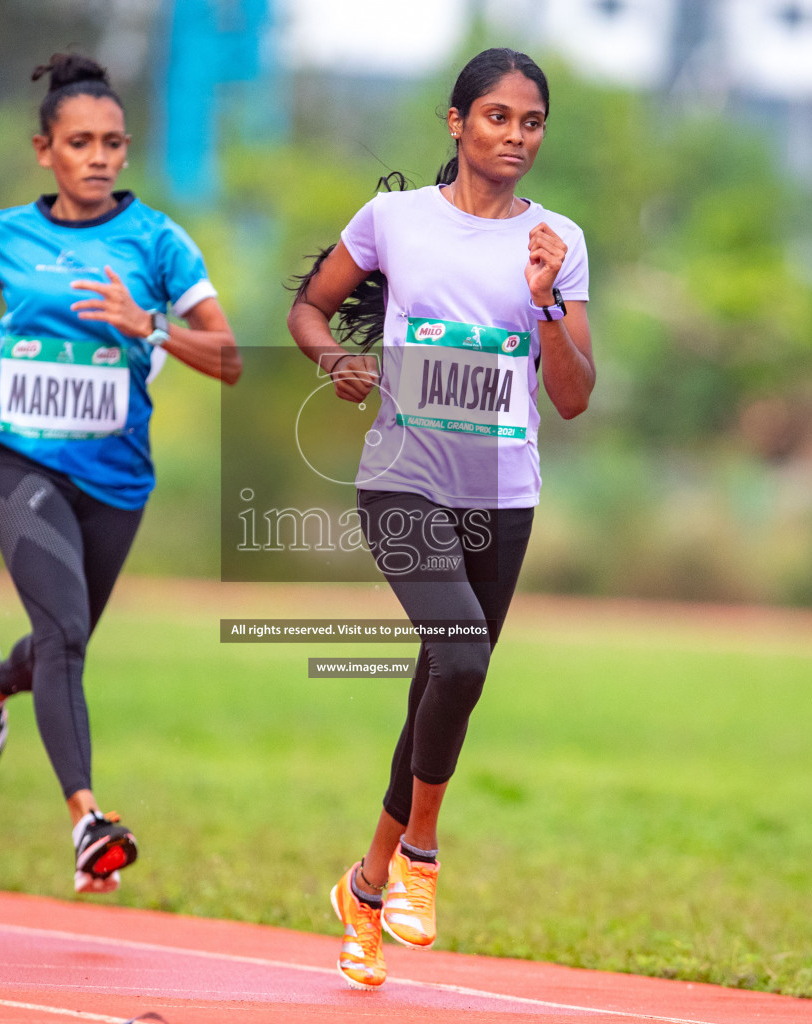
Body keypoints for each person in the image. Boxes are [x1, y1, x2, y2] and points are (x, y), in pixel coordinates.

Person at [287, 48, 596, 989]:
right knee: (460, 656)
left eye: (532, 122)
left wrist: (546, 302)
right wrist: (333, 363)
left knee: (442, 684)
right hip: (402, 482)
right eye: (498, 116)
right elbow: (310, 310)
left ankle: (367, 887)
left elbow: (575, 395)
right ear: (456, 122)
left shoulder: (559, 241)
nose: (516, 136)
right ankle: (421, 854)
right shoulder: (394, 220)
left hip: (503, 494)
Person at [0, 53, 241, 895]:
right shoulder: (6, 234)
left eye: (112, 143)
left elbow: (231, 357)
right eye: (79, 142)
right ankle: (89, 820)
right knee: (64, 637)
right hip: (20, 463)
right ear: (44, 150)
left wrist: (151, 326)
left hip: (116, 481)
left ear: (126, 152)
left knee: (64, 639)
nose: (97, 156)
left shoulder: (158, 243)